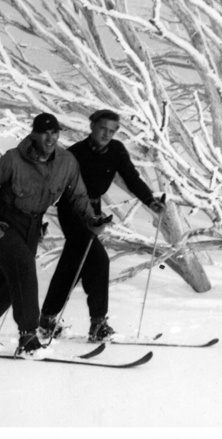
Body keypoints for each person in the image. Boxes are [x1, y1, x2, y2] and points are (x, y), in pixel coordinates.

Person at [0, 112, 109, 356]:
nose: (50, 138)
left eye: (55, 132)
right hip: (5, 224)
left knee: (8, 281)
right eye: (45, 133)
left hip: (33, 226)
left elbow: (77, 196)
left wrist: (91, 219)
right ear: (34, 134)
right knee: (23, 269)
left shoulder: (66, 162)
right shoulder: (13, 159)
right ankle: (28, 336)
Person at [39, 109, 165, 342]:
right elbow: (54, 186)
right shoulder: (74, 154)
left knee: (73, 263)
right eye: (102, 129)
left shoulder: (116, 150)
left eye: (112, 130)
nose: (107, 134)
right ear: (92, 127)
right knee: (98, 260)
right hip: (73, 211)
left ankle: (46, 319)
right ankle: (98, 324)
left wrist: (150, 200)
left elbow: (132, 178)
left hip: (94, 212)